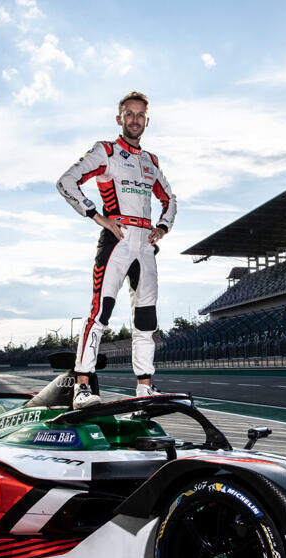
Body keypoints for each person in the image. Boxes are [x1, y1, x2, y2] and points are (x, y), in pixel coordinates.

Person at [57, 91, 177, 408]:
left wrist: (162, 227)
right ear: (119, 118)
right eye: (129, 114)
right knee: (100, 313)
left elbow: (170, 199)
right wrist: (96, 215)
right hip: (117, 240)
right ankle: (82, 387)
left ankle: (144, 387)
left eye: (140, 115)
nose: (135, 119)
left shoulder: (151, 161)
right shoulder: (106, 151)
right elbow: (67, 181)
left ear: (147, 121)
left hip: (146, 246)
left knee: (146, 319)